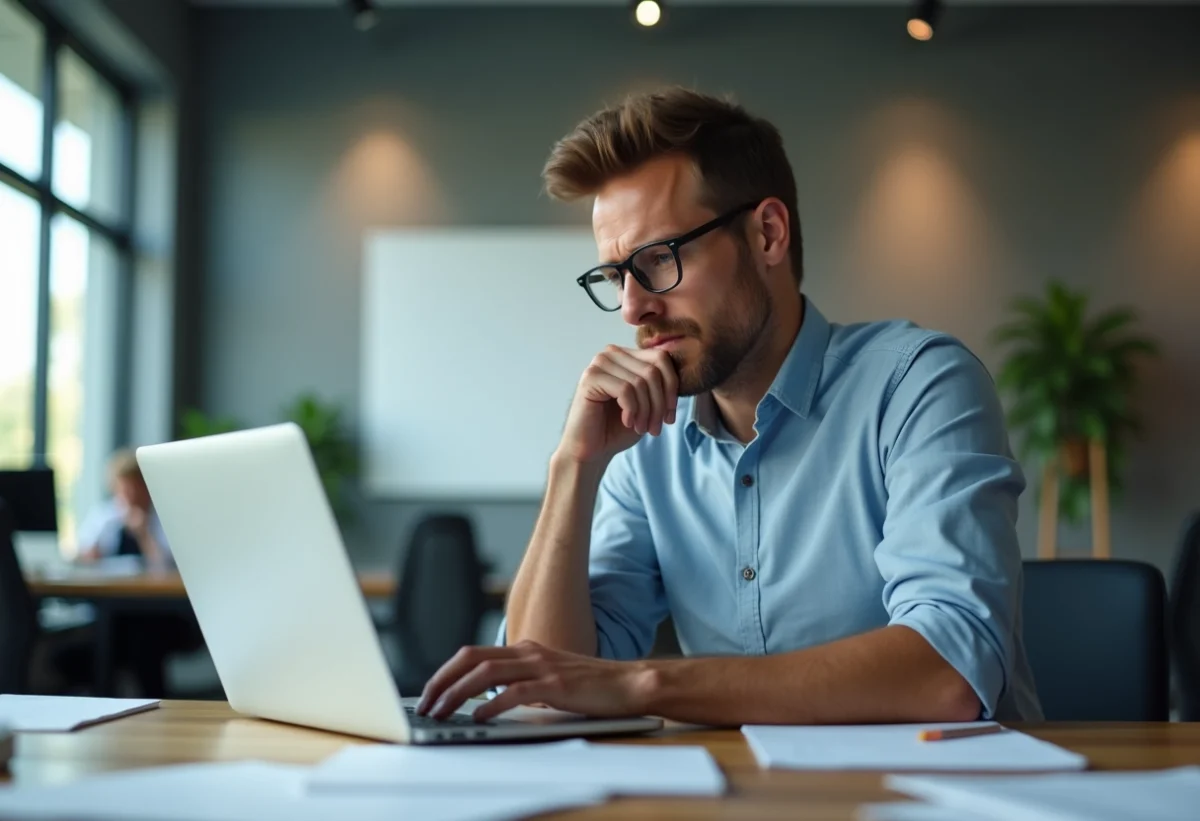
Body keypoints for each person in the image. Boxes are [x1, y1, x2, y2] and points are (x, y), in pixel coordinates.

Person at [417, 88, 1042, 726]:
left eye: (658, 259)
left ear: (767, 234)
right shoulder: (645, 443)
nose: (633, 308)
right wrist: (573, 465)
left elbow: (947, 673)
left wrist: (644, 684)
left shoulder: (918, 385)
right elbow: (545, 686)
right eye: (614, 277)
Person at [77, 449, 171, 570]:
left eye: (136, 488)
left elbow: (165, 567)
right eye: (125, 489)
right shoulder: (103, 515)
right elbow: (82, 555)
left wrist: (143, 533)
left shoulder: (162, 518)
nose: (131, 495)